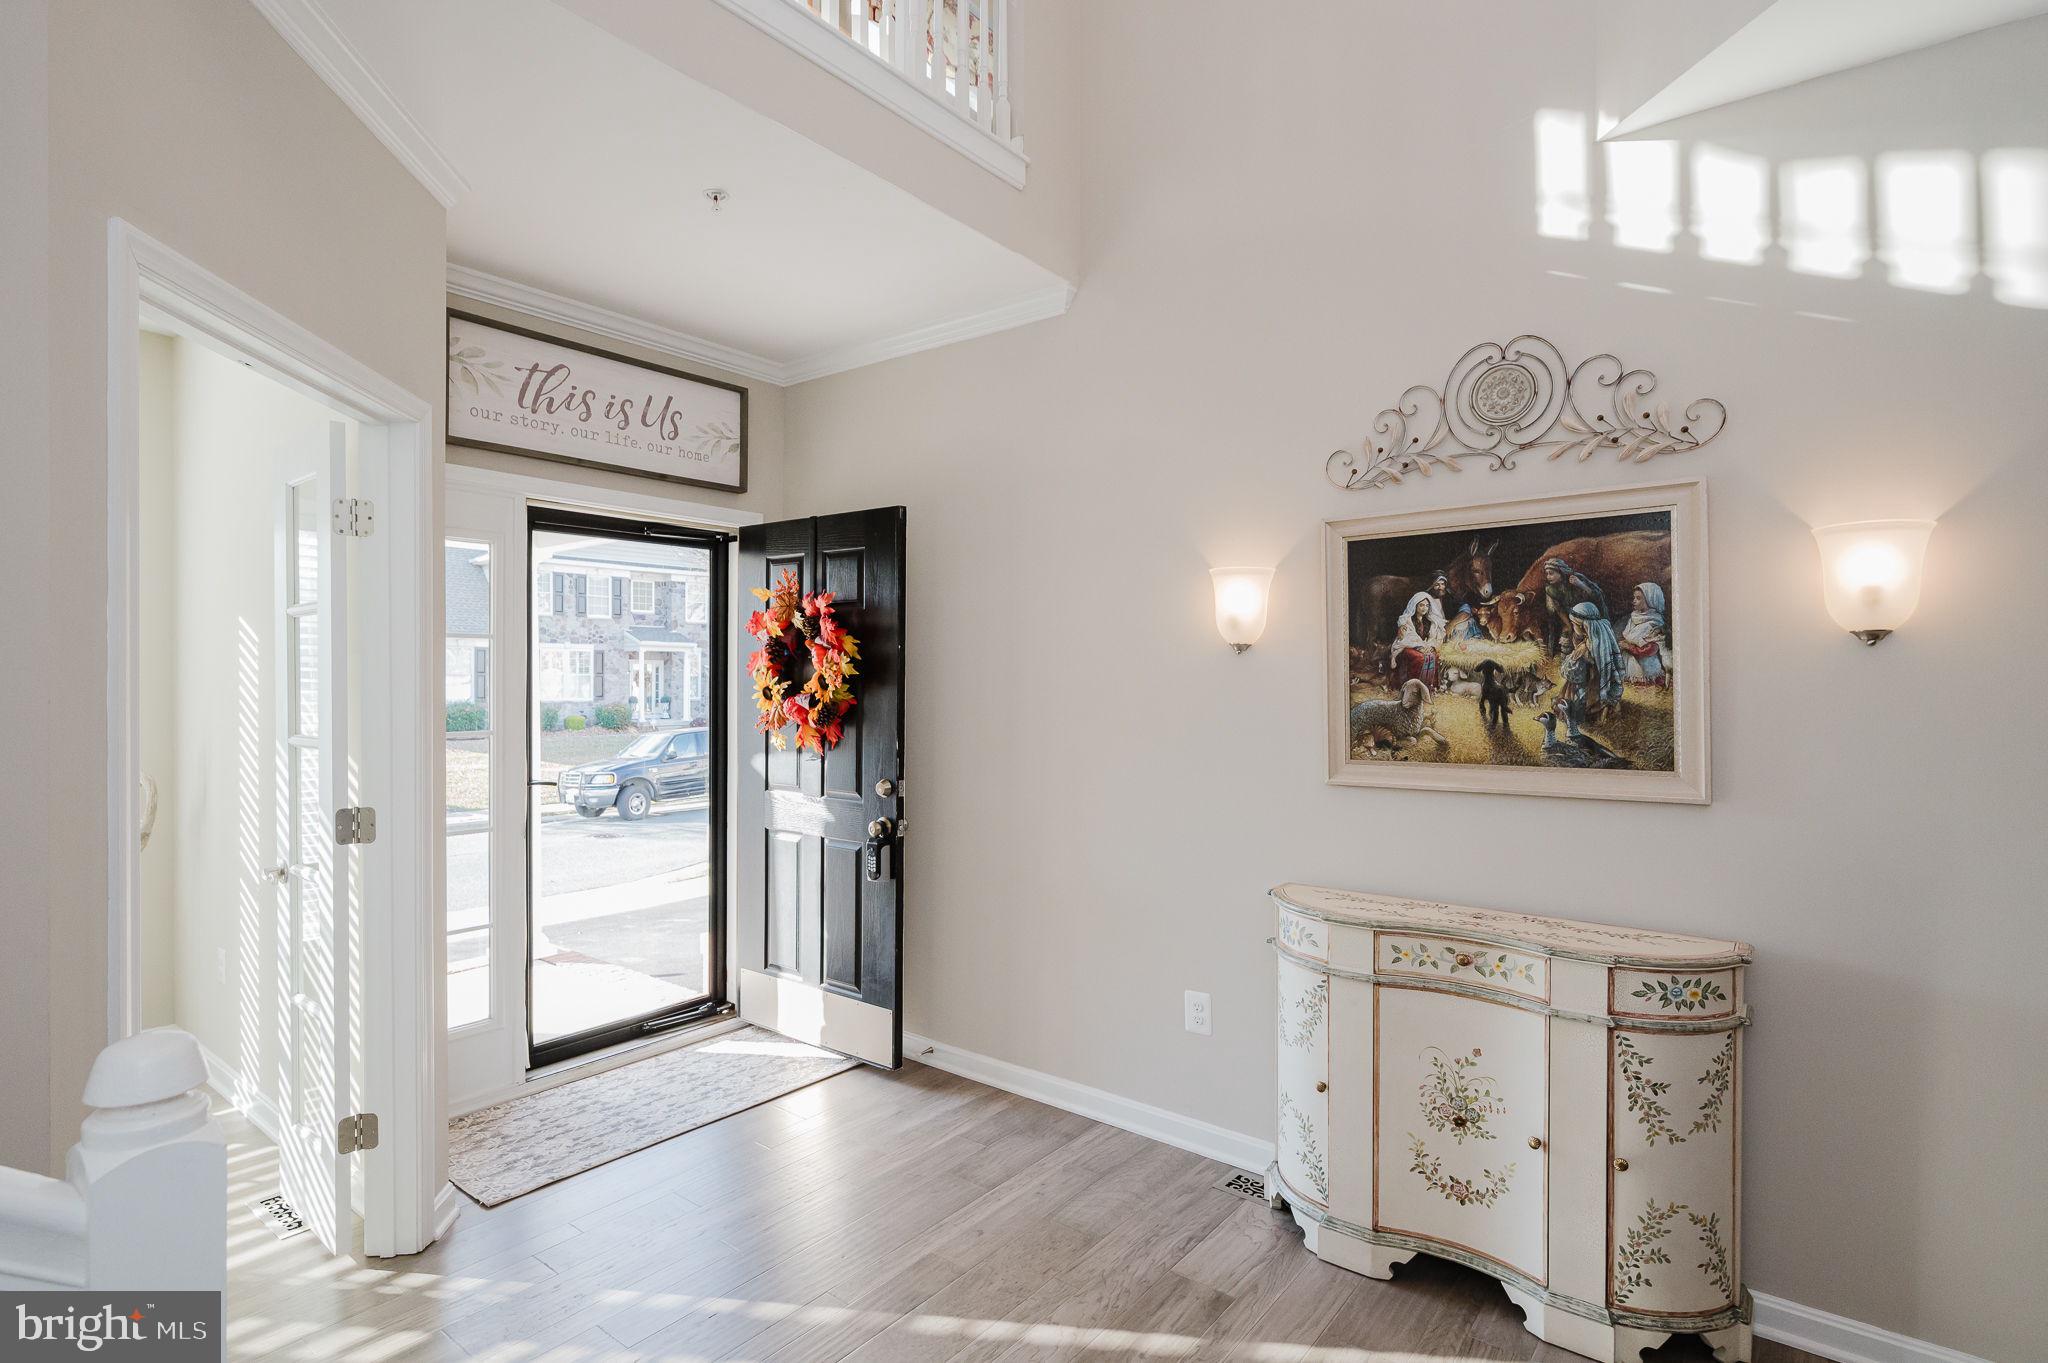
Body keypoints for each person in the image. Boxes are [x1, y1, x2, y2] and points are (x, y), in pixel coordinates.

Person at [1557, 600, 1624, 737]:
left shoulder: (1588, 646)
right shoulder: (1598, 639)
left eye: (1574, 624)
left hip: (1589, 684)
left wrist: (1574, 658)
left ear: (1583, 626)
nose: (1572, 627)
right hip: (1594, 681)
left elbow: (1574, 672)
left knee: (1575, 699)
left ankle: (1586, 714)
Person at [1539, 556, 1608, 656]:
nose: (1548, 577)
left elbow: (1598, 595)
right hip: (1573, 619)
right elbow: (1559, 609)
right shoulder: (1551, 589)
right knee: (1567, 642)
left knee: (1593, 645)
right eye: (1547, 574)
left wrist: (1581, 585)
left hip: (1591, 617)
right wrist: (1569, 626)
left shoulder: (1576, 578)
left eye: (1551, 573)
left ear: (1561, 572)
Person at [1389, 591, 1445, 690]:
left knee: (1434, 656)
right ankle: (1413, 687)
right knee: (1419, 658)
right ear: (1415, 606)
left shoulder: (1431, 621)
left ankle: (1430, 686)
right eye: (1421, 605)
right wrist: (1419, 647)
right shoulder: (1407, 620)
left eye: (1427, 606)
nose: (1424, 608)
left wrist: (1431, 647)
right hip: (1408, 646)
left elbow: (1435, 638)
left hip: (1426, 647)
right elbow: (1406, 638)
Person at [1619, 582, 1671, 686]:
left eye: (1638, 598)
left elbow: (1651, 649)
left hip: (1645, 669)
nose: (1634, 601)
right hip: (1629, 665)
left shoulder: (1655, 623)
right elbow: (1629, 637)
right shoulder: (1633, 618)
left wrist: (1628, 647)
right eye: (1634, 597)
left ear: (1650, 600)